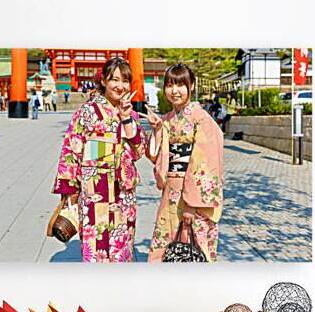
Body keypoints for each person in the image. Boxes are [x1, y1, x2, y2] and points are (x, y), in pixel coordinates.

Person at [52, 57, 146, 263]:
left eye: (125, 81)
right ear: (103, 80)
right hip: (94, 189)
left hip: (124, 193)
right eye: (115, 80)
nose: (120, 86)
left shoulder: (132, 114)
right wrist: (69, 192)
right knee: (95, 248)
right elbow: (71, 150)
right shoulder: (87, 112)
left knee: (123, 247)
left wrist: (127, 119)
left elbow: (139, 151)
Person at [145, 63, 224, 262]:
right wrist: (157, 129)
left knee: (194, 248)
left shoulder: (202, 119)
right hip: (171, 192)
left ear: (192, 85)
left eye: (180, 85)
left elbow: (205, 164)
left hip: (193, 198)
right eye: (170, 85)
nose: (174, 91)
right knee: (166, 246)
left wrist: (192, 205)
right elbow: (155, 154)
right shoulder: (169, 119)